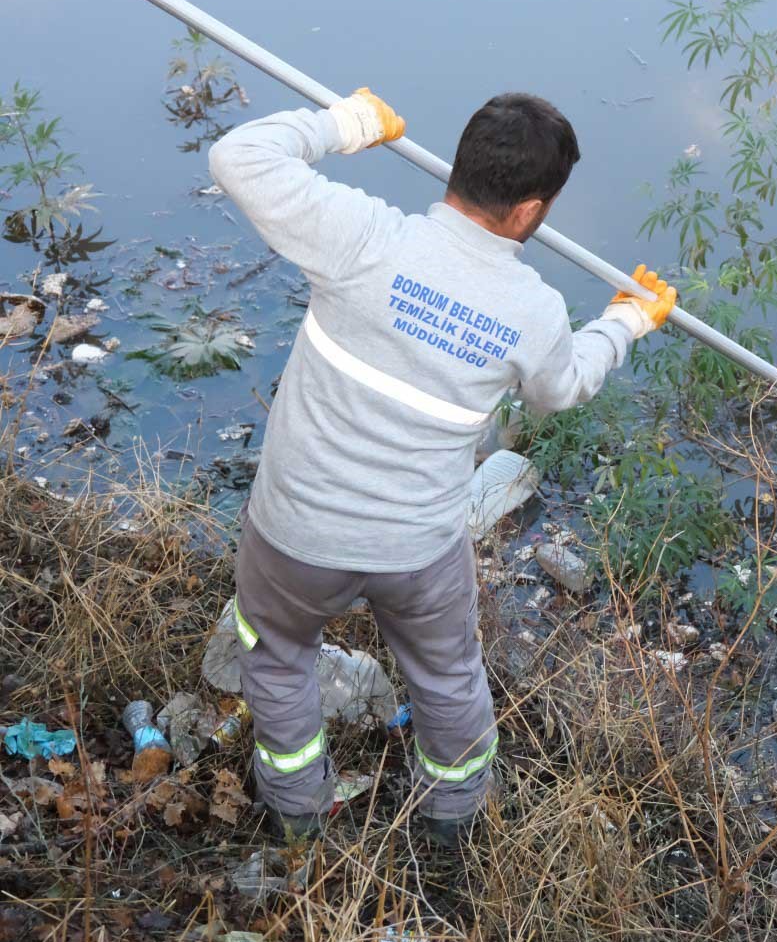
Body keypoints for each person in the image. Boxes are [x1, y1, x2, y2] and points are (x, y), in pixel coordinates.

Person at [208, 88, 675, 843]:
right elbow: (563, 389)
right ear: (529, 212)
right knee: (447, 677)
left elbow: (238, 157)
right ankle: (448, 824)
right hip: (416, 550)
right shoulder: (533, 309)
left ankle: (297, 815)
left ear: (458, 167)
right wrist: (626, 320)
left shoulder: (361, 236)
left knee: (280, 658)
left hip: (294, 535)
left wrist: (349, 123)